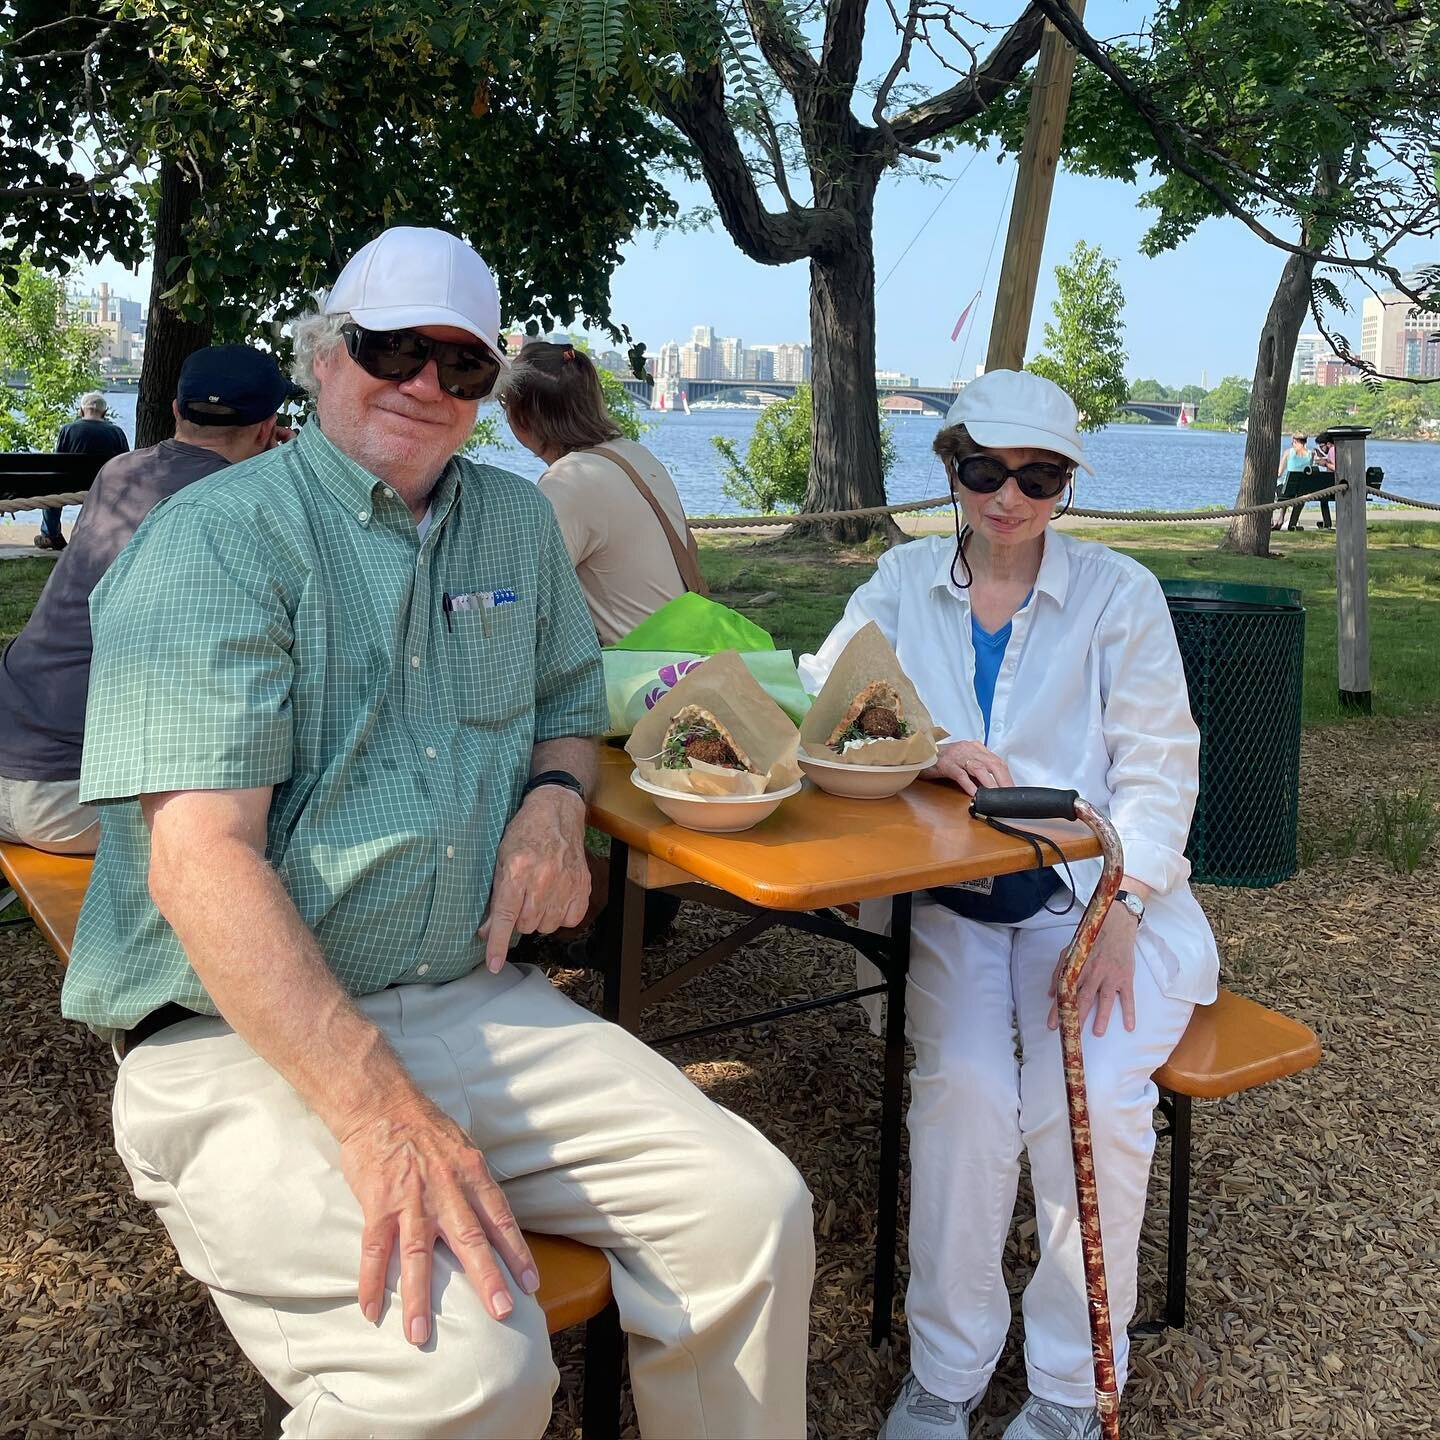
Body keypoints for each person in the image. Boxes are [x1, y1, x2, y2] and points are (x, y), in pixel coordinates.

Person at [61, 226, 812, 1440]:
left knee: (754, 1212)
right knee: (462, 1377)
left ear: (488, 390)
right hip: (237, 1034)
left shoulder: (514, 526)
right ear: (322, 357)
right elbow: (201, 857)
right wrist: (379, 1116)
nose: (423, 383)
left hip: (469, 990)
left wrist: (555, 803)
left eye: (460, 366)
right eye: (391, 348)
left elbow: (572, 705)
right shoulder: (214, 541)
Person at [799, 370, 1219, 1440]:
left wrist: (1123, 903)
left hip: (1098, 895)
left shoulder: (1120, 593)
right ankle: (948, 1370)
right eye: (984, 469)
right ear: (950, 466)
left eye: (1038, 476)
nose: (1007, 497)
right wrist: (925, 748)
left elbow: (1161, 766)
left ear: (1068, 483)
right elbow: (828, 687)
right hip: (956, 901)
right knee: (965, 1093)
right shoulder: (900, 581)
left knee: (1090, 1100)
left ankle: (1075, 1387)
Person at [0, 347, 297, 855]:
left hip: (11, 750)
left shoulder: (118, 473)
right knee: (295, 815)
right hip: (72, 796)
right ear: (269, 426)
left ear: (178, 411)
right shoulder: (250, 501)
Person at [503, 340, 704, 645]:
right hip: (685, 655)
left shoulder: (569, 481)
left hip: (637, 678)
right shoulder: (636, 454)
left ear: (521, 418)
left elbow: (523, 601)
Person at [37, 391, 130, 550]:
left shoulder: (68, 430)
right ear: (105, 413)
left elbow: (57, 463)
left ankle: (50, 534)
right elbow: (126, 464)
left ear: (80, 411)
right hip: (106, 486)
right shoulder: (116, 432)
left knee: (51, 487)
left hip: (70, 485)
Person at [1273, 433, 1313, 532]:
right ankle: (1290, 522)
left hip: (1287, 490)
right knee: (1294, 489)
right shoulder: (1311, 454)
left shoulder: (1288, 452)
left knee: (1280, 486)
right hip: (1303, 490)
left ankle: (1278, 519)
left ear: (1294, 441)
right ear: (1305, 441)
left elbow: (1279, 473)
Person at [1310, 437, 1335, 529]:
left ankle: (1327, 523)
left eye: (1321, 446)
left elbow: (1336, 467)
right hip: (1335, 486)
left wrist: (1325, 464)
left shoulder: (1332, 450)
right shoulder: (1336, 450)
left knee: (1323, 497)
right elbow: (1329, 458)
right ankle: (1327, 523)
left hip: (1334, 488)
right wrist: (1322, 457)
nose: (1321, 449)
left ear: (1328, 444)